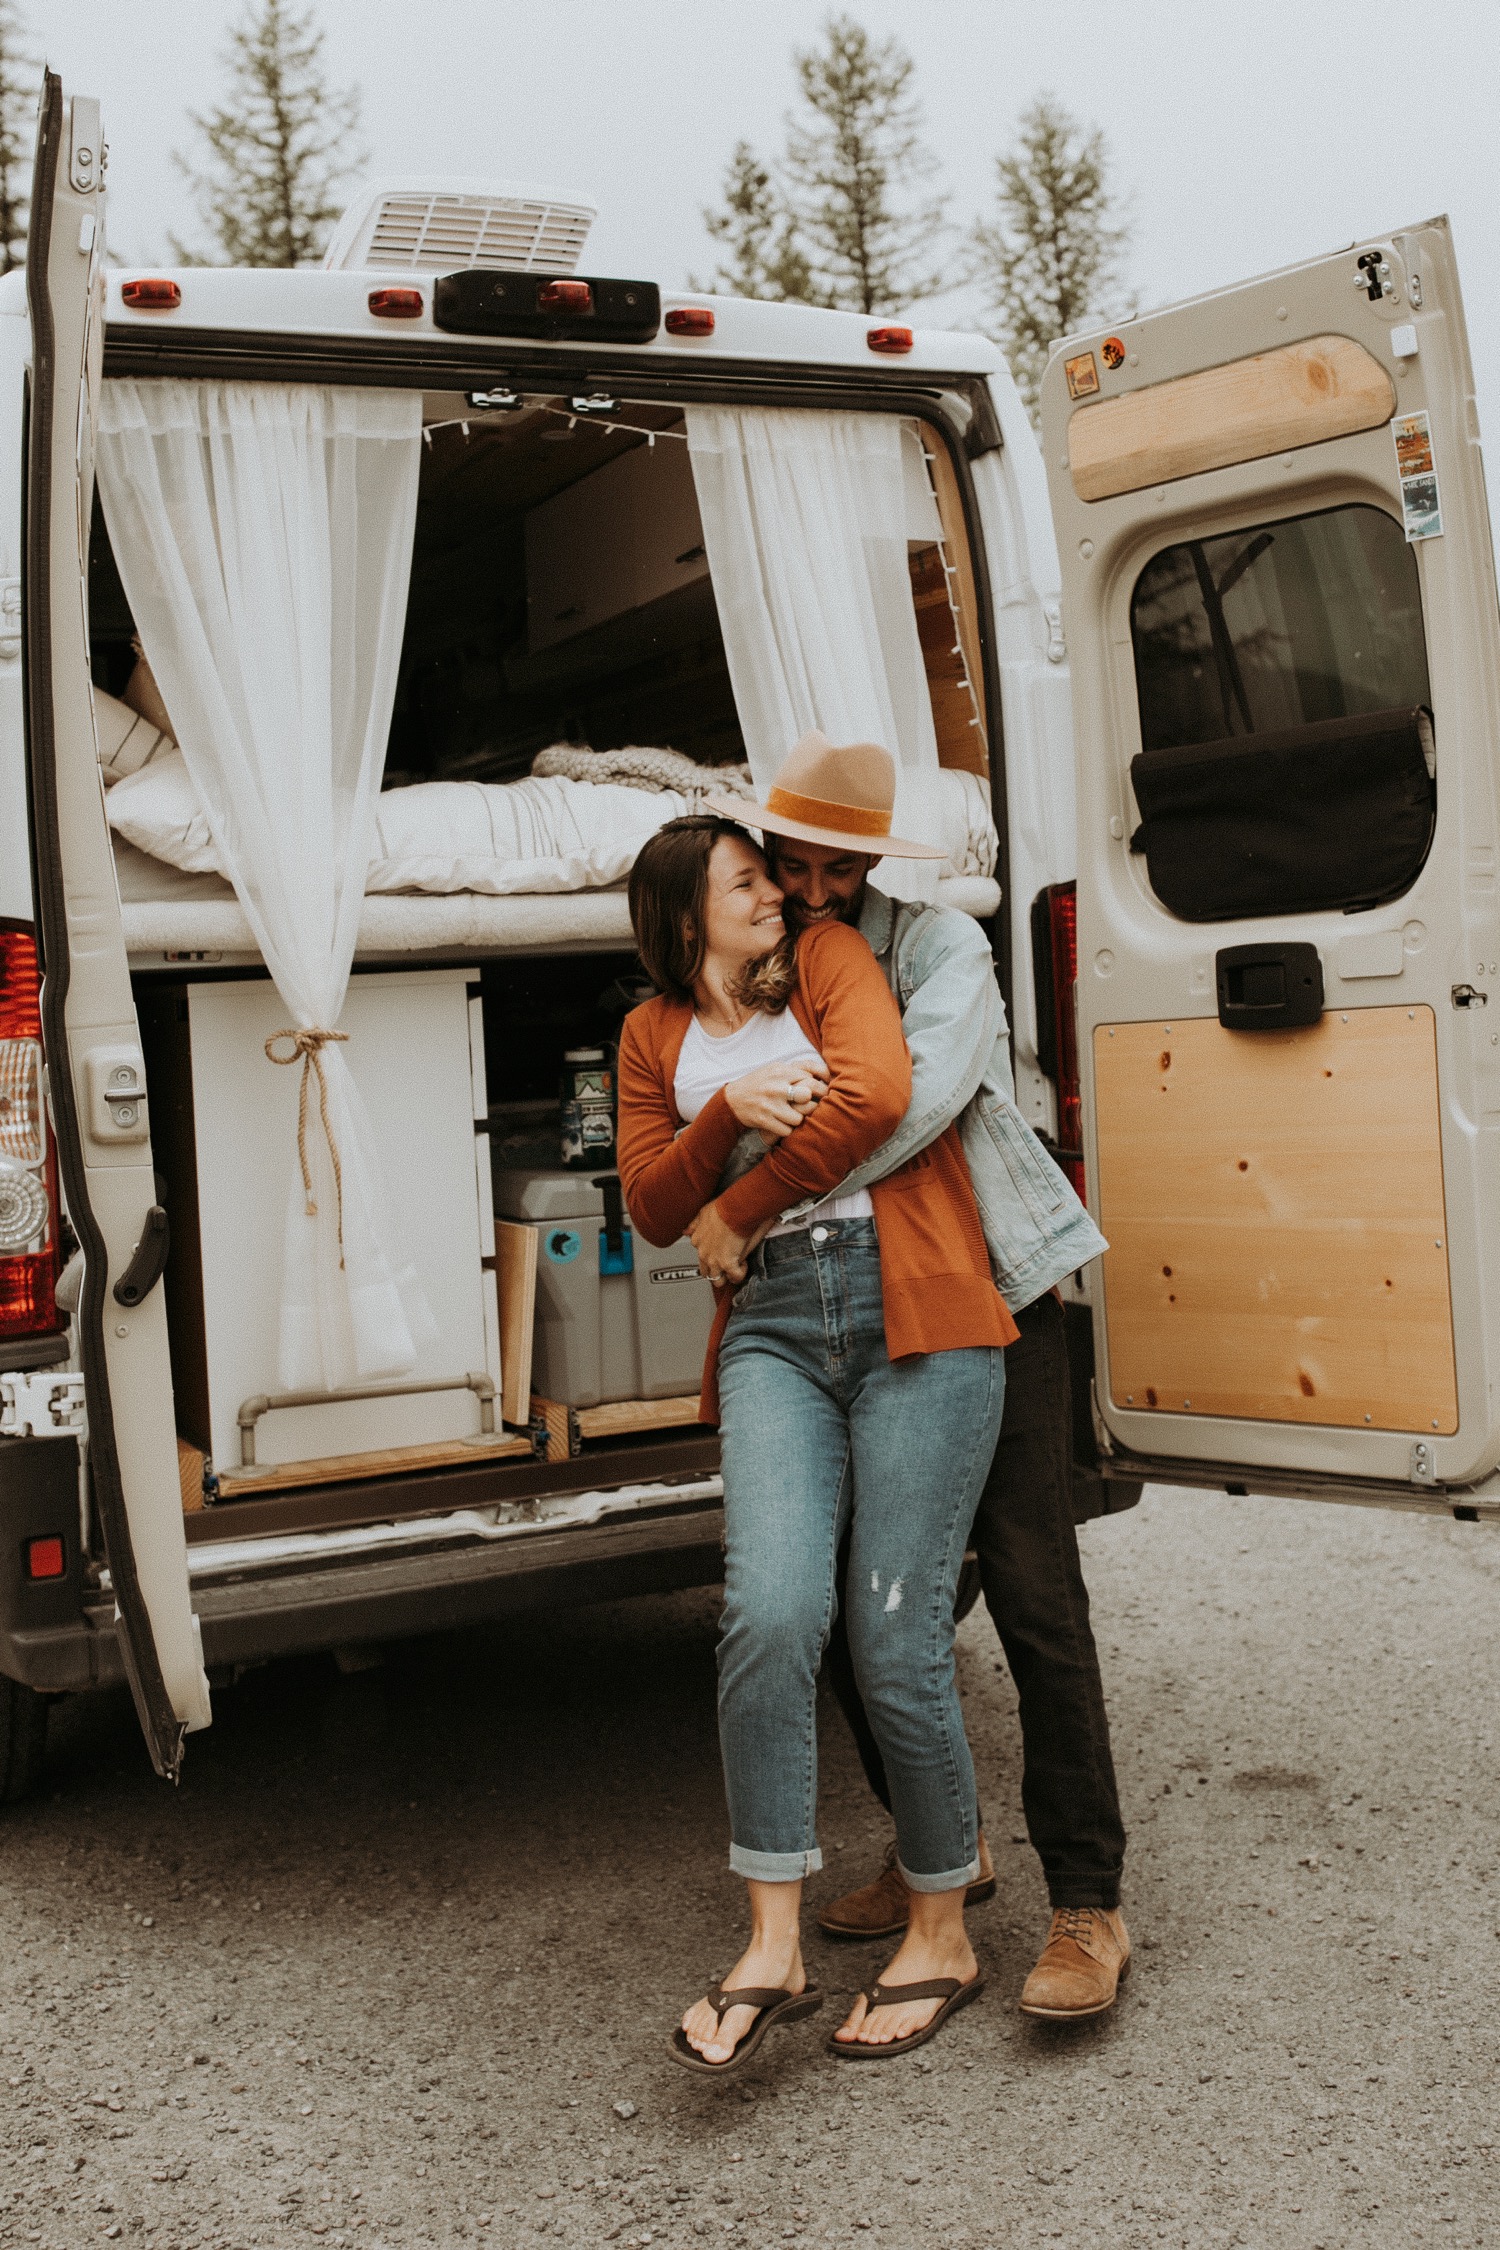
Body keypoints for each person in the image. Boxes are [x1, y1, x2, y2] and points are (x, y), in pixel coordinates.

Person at [698, 743, 1131, 2022]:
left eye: (847, 866)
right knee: (833, 1593)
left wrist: (745, 1184)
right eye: (799, 863)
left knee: (1037, 1599)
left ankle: (1090, 1904)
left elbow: (902, 1105)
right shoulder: (763, 957)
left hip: (986, 1289)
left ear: (878, 863)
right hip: (834, 1306)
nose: (821, 887)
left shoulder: (944, 949)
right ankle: (947, 1845)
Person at [617, 748, 1018, 2073]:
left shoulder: (831, 959)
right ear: (689, 917)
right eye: (752, 878)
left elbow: (880, 1094)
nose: (783, 893)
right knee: (770, 1613)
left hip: (913, 1297)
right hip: (776, 1325)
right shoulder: (651, 1036)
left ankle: (944, 1924)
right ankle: (774, 1944)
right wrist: (726, 1107)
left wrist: (742, 1194)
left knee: (895, 1631)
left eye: (784, 874)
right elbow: (647, 1205)